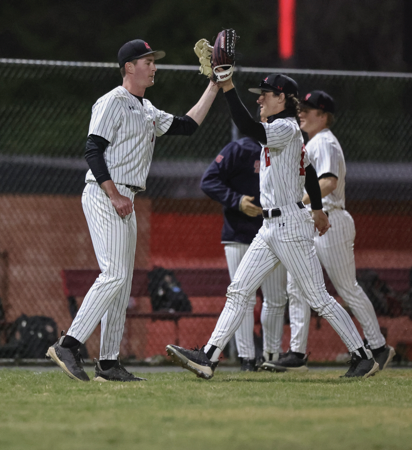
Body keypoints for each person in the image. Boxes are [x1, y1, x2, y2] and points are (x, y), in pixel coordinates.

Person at [166, 73, 380, 379]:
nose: (259, 98)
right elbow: (309, 173)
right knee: (238, 290)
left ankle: (362, 356)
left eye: (266, 93)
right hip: (270, 226)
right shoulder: (285, 131)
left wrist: (227, 88)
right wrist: (317, 209)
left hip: (289, 225)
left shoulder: (285, 127)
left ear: (282, 99)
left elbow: (248, 127)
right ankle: (208, 357)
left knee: (317, 296)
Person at [47, 39, 220, 382]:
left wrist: (215, 85)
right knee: (113, 273)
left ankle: (108, 363)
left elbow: (187, 124)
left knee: (122, 282)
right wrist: (113, 194)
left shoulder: (147, 109)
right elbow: (92, 150)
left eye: (154, 61)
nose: (154, 66)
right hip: (104, 193)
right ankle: (67, 344)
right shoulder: (112, 101)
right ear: (129, 67)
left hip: (127, 196)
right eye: (147, 61)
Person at [262, 91, 395, 372]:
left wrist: (297, 203)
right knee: (297, 289)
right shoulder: (311, 141)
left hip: (330, 220)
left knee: (346, 288)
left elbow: (328, 183)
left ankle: (378, 346)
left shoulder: (324, 142)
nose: (302, 113)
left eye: (309, 110)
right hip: (310, 221)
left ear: (323, 116)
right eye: (302, 109)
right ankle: (297, 353)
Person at [200, 136, 289, 371]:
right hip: (239, 234)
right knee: (244, 298)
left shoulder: (286, 145)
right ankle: (247, 359)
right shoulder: (239, 148)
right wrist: (237, 201)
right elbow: (208, 180)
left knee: (276, 298)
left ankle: (272, 355)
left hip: (273, 231)